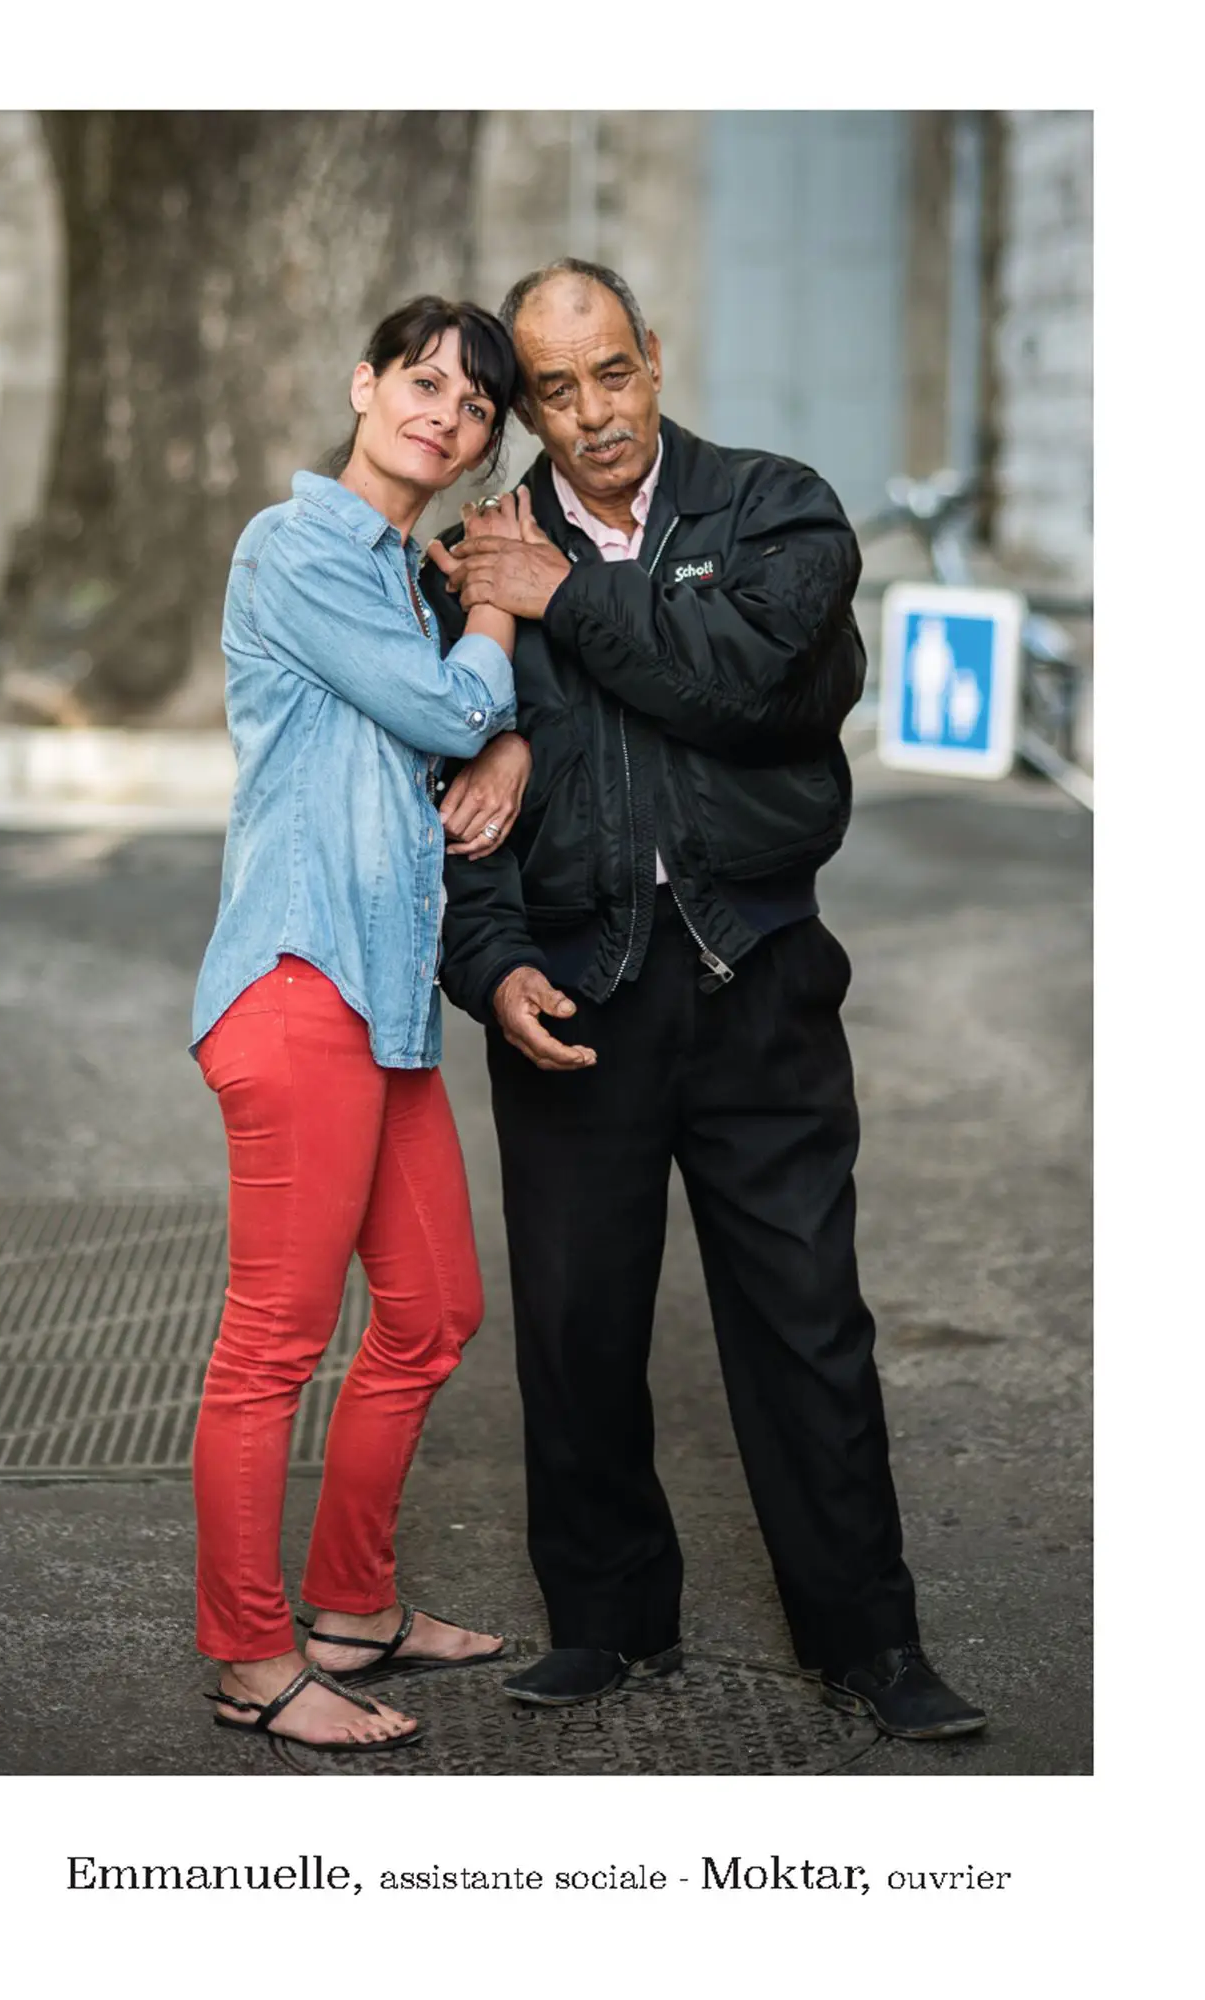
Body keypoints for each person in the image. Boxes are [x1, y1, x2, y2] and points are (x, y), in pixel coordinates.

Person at [423, 258, 986, 1741]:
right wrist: (492, 964)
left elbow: (753, 686)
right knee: (577, 1326)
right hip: (576, 986)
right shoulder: (473, 558)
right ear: (526, 407)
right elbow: (450, 793)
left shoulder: (774, 509)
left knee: (807, 1317)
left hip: (761, 976)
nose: (595, 413)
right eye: (558, 390)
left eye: (613, 371)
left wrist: (568, 600)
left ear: (654, 357)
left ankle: (871, 1640)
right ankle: (609, 1622)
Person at [189, 296, 534, 1758]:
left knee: (434, 1310)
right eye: (423, 381)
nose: (445, 414)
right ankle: (250, 1661)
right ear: (363, 385)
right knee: (271, 1347)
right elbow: (445, 712)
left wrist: (502, 721)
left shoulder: (401, 575)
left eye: (475, 405)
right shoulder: (298, 548)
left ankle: (351, 1607)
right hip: (297, 980)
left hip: (384, 1001)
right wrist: (499, 616)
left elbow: (456, 727)